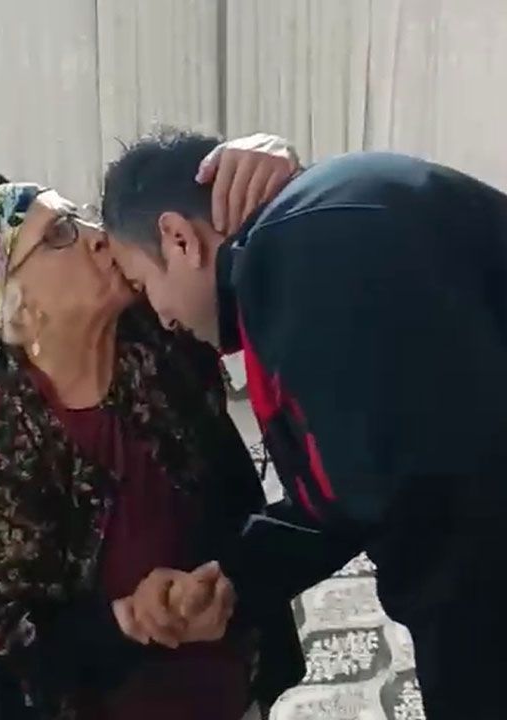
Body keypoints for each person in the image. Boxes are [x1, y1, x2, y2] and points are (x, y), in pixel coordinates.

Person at [100, 128, 507, 719]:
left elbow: (425, 519)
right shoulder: (303, 232)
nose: (161, 316)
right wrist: (236, 576)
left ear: (179, 238)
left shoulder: (297, 261)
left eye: (144, 284)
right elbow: (347, 486)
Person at [0, 136, 302, 720]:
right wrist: (129, 618)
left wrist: (277, 171)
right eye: (58, 235)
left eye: (80, 216)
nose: (98, 235)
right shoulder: (0, 431)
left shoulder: (162, 334)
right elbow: (5, 635)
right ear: (19, 311)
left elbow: (237, 253)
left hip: (229, 679)